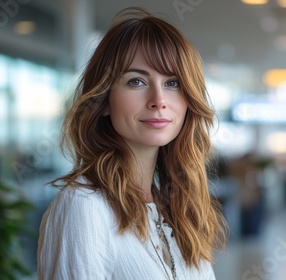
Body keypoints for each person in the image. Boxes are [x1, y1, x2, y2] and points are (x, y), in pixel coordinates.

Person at [37, 8, 226, 280]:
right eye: (136, 81)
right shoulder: (83, 206)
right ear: (103, 100)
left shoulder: (176, 205)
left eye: (172, 82)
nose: (158, 99)